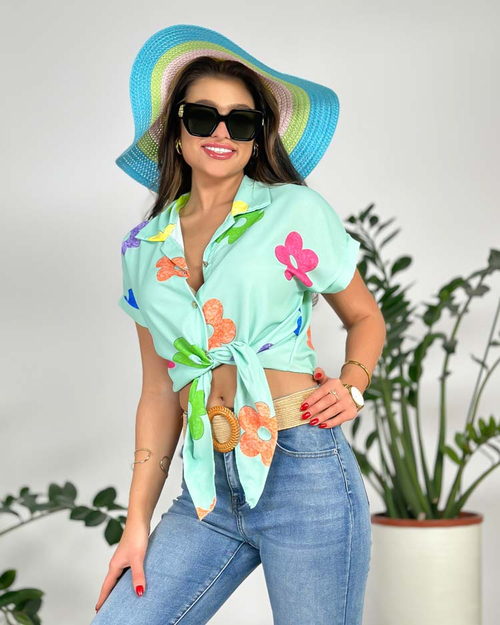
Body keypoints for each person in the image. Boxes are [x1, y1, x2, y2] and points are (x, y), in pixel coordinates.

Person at [92, 24, 386, 625]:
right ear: (177, 133)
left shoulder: (295, 210)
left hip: (304, 470)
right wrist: (136, 524)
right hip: (209, 488)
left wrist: (353, 384)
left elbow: (364, 316)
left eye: (241, 122)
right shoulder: (142, 248)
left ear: (257, 139)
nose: (221, 133)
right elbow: (159, 392)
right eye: (203, 117)